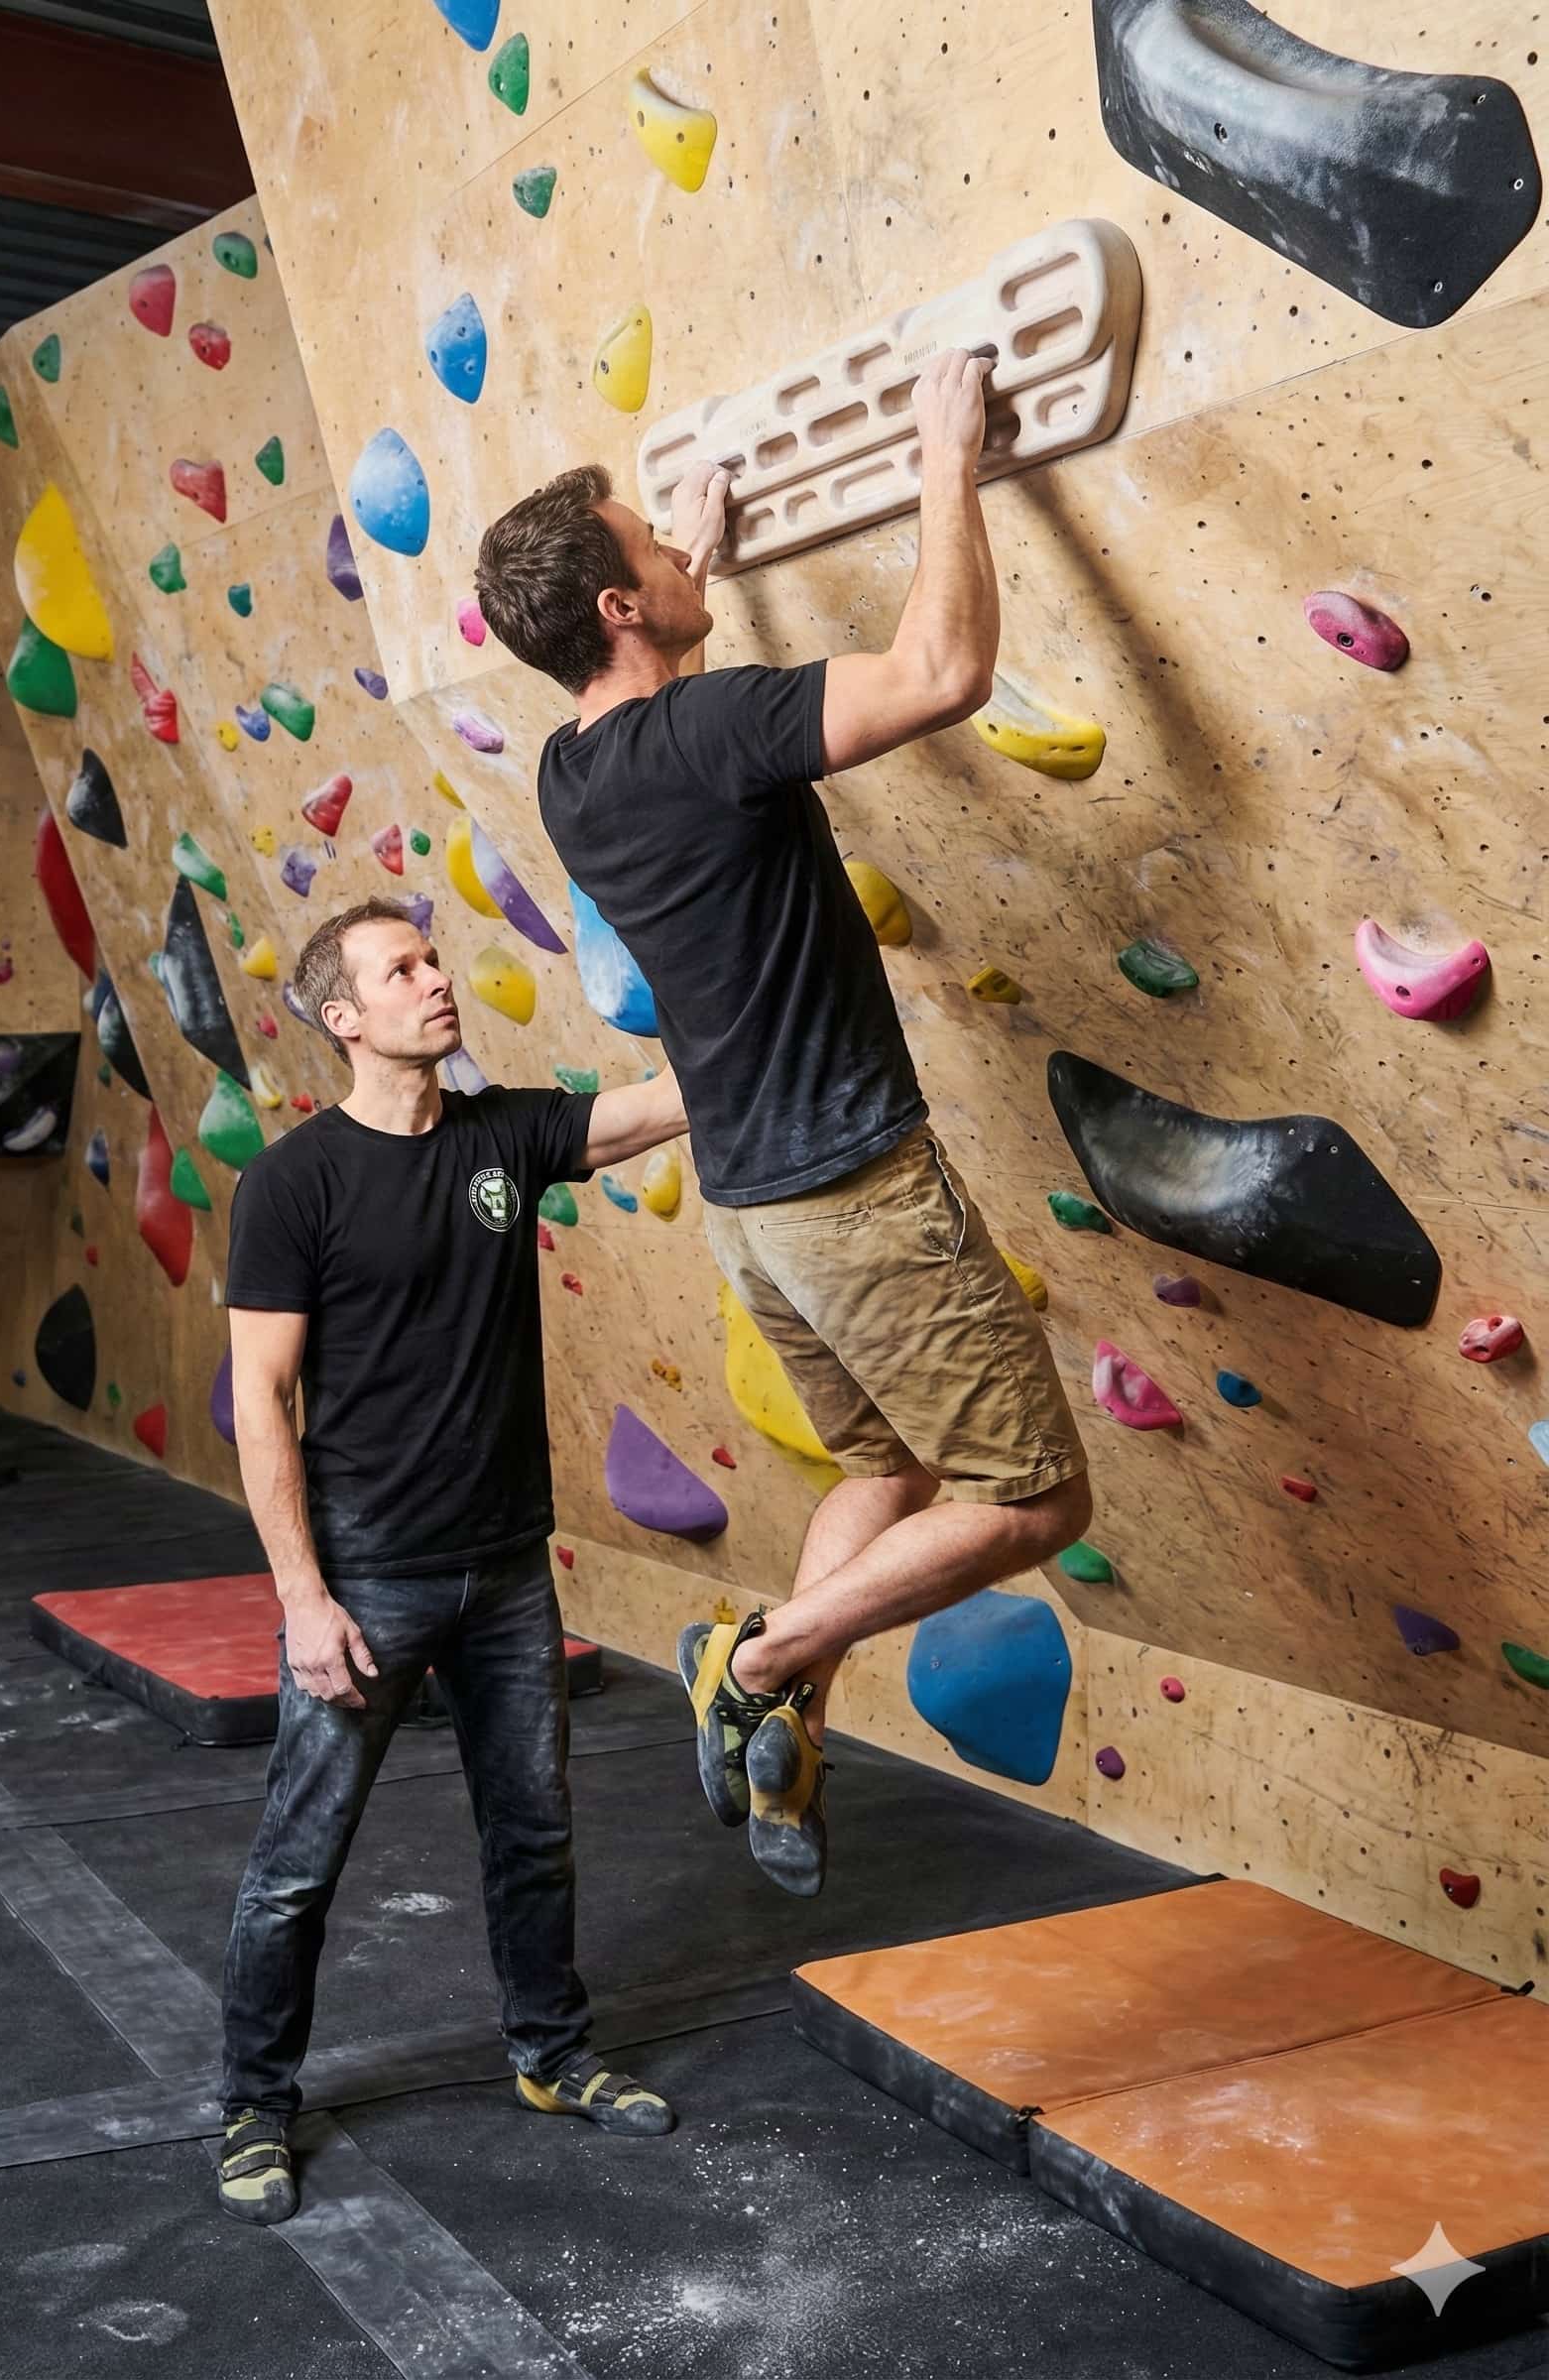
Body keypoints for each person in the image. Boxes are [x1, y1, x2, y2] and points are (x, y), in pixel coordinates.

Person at [474, 347, 1092, 1901]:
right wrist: (946, 451)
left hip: (752, 1213)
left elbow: (662, 685)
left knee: (881, 1472)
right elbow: (941, 674)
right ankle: (753, 1661)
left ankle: (787, 1744)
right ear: (618, 608)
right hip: (855, 1198)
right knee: (1032, 1500)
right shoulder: (711, 734)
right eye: (654, 549)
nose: (679, 551)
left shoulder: (570, 774)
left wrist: (685, 550)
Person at [216, 896, 687, 2226]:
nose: (435, 979)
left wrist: (750, 970)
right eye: (401, 969)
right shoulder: (294, 1183)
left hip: (507, 1567)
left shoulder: (503, 1136)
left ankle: (550, 2053)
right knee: (301, 1859)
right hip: (368, 1572)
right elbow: (261, 1397)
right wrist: (303, 1598)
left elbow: (662, 1108)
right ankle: (255, 2104)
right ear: (343, 1017)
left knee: (534, 1831)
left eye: (432, 959)